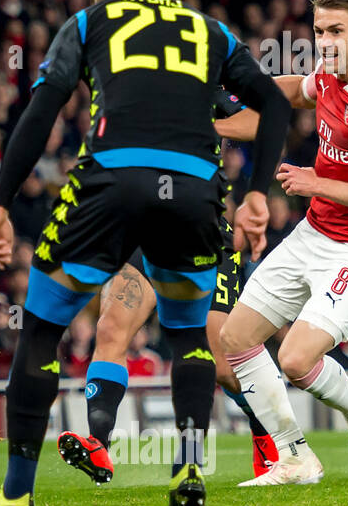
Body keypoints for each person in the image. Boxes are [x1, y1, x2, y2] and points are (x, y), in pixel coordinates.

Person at [0, 0, 289, 506]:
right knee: (190, 336)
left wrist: (1, 202)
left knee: (40, 329)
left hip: (111, 180)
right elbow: (272, 100)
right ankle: (190, 469)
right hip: (195, 191)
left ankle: (14, 497)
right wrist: (255, 195)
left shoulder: (89, 23)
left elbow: (42, 109)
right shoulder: (210, 32)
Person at [221, 0, 348, 485]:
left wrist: (315, 182)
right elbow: (287, 97)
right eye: (318, 31)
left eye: (336, 31)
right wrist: (217, 122)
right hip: (316, 231)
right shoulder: (329, 74)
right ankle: (295, 457)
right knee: (236, 337)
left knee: (295, 358)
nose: (325, 41)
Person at [58, 89, 280, 484]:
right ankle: (97, 444)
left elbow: (260, 121)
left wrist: (206, 126)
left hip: (203, 231)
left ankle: (264, 430)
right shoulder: (120, 84)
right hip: (144, 231)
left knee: (223, 364)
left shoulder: (201, 78)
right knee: (109, 328)